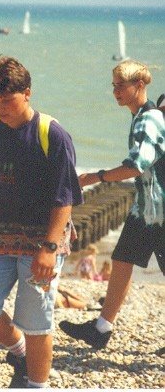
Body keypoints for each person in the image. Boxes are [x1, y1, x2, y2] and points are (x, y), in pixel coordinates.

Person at [0, 56, 82, 388]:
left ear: (27, 93)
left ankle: (36, 384)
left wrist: (48, 249)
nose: (0, 106)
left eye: (7, 99)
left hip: (42, 241)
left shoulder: (52, 134)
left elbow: (65, 198)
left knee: (36, 323)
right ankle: (19, 352)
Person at [59, 59, 165, 350]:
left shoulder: (148, 119)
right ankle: (102, 328)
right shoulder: (143, 115)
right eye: (114, 86)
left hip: (157, 211)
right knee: (122, 259)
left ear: (139, 85)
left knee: (124, 260)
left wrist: (97, 177)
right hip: (148, 208)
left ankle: (102, 328)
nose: (116, 91)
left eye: (122, 85)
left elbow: (137, 165)